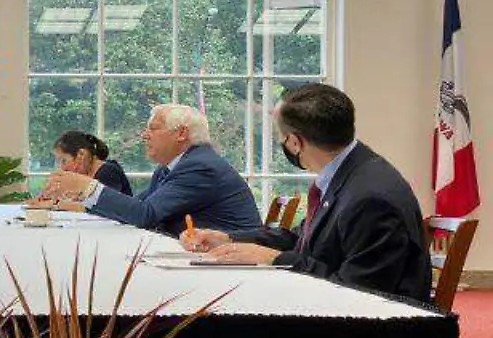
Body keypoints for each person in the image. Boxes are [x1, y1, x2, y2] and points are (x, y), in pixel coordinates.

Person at [181, 84, 432, 302]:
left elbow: (358, 292)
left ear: (294, 142)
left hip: (373, 332)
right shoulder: (350, 171)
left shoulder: (370, 199)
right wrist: (229, 239)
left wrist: (276, 259)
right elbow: (302, 239)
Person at [44, 104, 262, 235]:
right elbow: (135, 207)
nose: (144, 135)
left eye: (153, 129)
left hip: (232, 264)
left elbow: (144, 215)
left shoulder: (201, 167)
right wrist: (78, 197)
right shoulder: (168, 169)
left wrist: (88, 188)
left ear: (181, 134)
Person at [49, 130, 132, 196]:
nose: (63, 168)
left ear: (81, 155)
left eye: (64, 161)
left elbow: (100, 206)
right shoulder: (87, 173)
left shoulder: (108, 172)